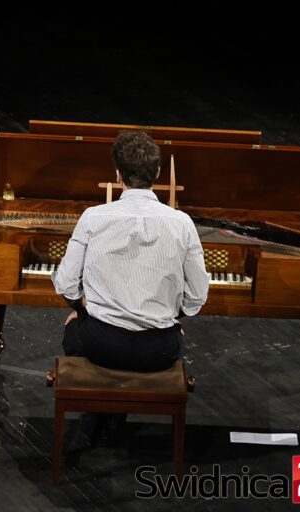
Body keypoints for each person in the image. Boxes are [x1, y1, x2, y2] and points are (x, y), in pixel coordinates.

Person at [52, 130, 209, 442]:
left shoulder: (93, 218)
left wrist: (84, 310)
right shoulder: (182, 223)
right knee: (152, 334)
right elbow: (197, 297)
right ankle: (114, 416)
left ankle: (99, 411)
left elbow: (67, 285)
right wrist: (171, 320)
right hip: (159, 349)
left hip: (101, 343)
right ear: (158, 174)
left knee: (72, 331)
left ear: (117, 175)